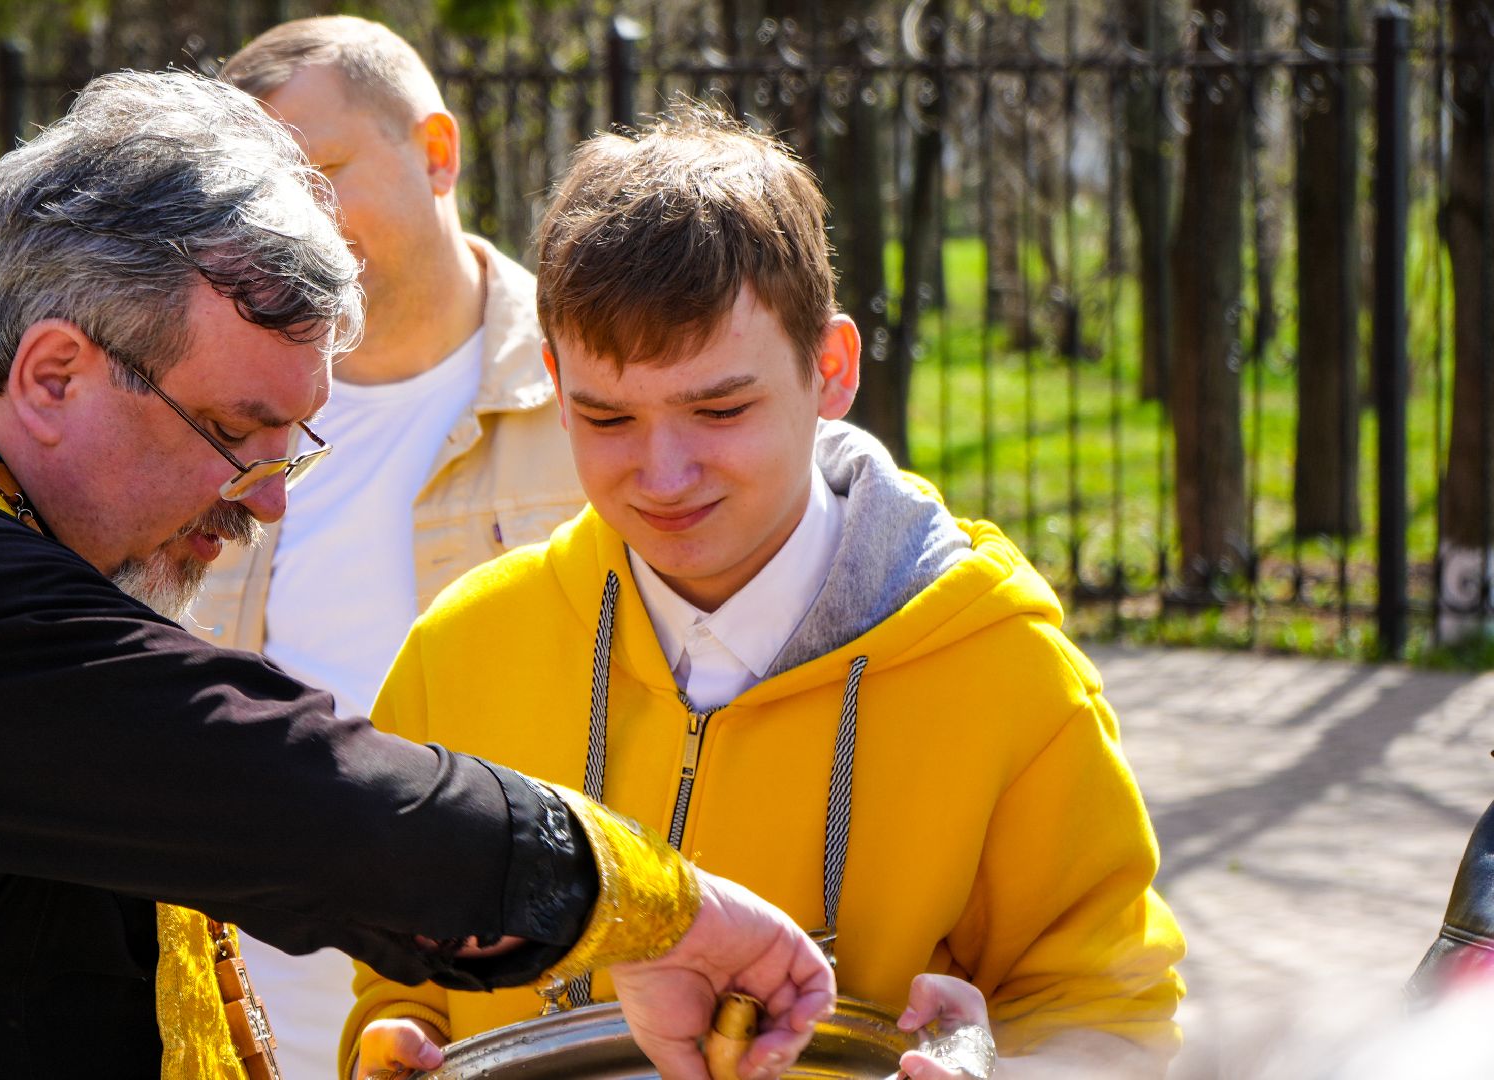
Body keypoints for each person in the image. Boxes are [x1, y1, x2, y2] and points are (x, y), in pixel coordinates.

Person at [0, 73, 836, 1080]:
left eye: (289, 442)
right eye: (236, 435)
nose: (271, 497)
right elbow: (295, 795)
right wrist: (667, 911)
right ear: (54, 375)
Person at [346, 105, 1187, 1079]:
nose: (662, 474)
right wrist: (393, 1044)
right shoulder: (461, 652)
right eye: (608, 416)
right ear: (552, 384)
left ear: (829, 368)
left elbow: (1110, 1012)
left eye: (719, 408)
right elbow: (400, 979)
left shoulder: (1007, 671)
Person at [193, 17, 586, 1070]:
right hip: (253, 1025)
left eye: (320, 179)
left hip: (524, 1017)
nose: (295, 235)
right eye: (257, 208)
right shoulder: (199, 423)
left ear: (438, 152)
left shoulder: (598, 396)